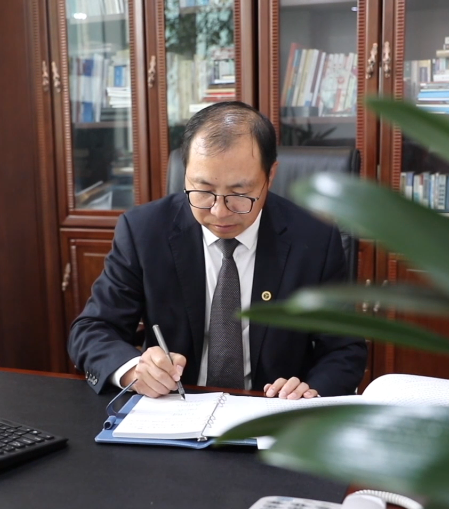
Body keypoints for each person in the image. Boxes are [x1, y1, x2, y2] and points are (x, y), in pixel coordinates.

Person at [68, 101, 367, 399]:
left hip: (271, 410)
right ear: (185, 173)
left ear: (270, 176)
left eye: (239, 193)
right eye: (204, 191)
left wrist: (310, 392)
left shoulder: (314, 239)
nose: (220, 212)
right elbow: (92, 329)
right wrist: (135, 371)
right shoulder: (144, 231)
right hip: (176, 407)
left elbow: (344, 348)